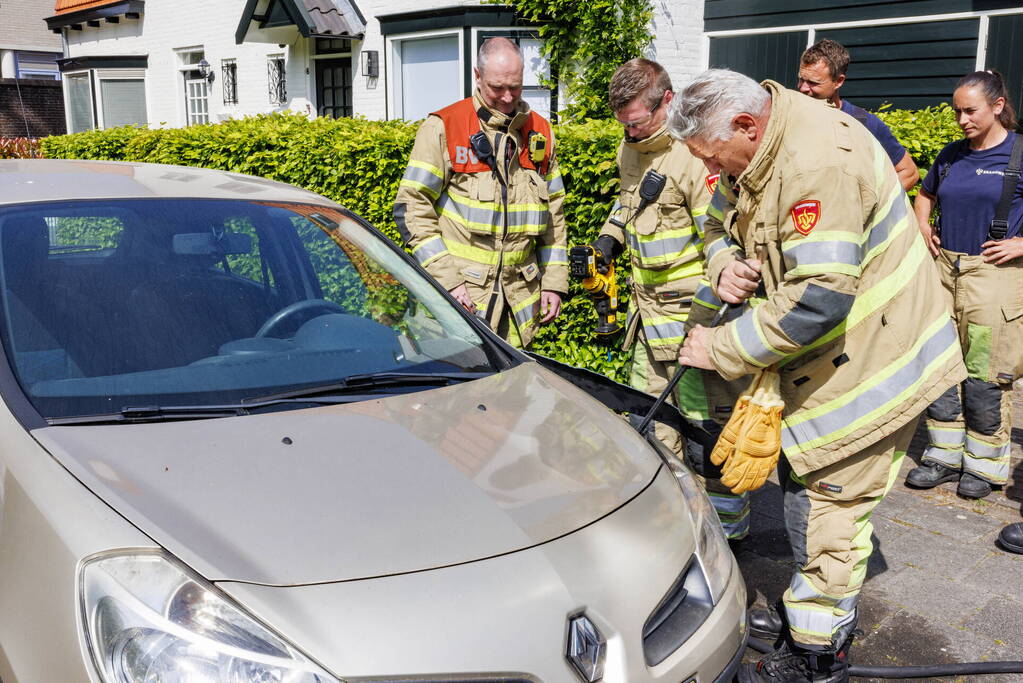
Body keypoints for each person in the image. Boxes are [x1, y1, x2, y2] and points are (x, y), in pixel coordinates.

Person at [669, 69, 966, 682]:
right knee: (807, 494)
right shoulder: (759, 148)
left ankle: (817, 657)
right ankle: (812, 621)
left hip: (876, 363)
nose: (714, 173)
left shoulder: (816, 166)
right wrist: (725, 261)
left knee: (828, 508)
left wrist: (720, 348)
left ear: (746, 126)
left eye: (714, 157)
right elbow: (718, 219)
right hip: (831, 359)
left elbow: (817, 301)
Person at [589, 58, 750, 540]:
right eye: (623, 124)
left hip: (691, 326)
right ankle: (674, 523)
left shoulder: (694, 155)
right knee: (654, 426)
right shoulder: (631, 147)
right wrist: (608, 237)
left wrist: (711, 325)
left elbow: (721, 239)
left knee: (706, 435)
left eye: (637, 121)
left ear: (668, 101)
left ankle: (727, 536)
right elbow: (628, 203)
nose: (630, 132)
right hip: (647, 321)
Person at [393, 37, 567, 347]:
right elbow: (412, 206)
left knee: (512, 393)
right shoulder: (445, 127)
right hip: (458, 304)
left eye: (515, 86)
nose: (507, 96)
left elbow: (554, 215)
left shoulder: (540, 132)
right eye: (497, 88)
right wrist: (449, 282)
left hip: (517, 310)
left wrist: (554, 283)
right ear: (477, 75)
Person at [903, 71, 1023, 499]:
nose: (961, 119)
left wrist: (1021, 244)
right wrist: (921, 224)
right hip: (943, 270)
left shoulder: (1019, 154)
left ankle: (985, 466)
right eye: (957, 111)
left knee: (985, 372)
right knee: (939, 364)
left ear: (996, 105)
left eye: (970, 110)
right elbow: (926, 193)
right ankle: (943, 455)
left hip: (993, 274)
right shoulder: (952, 155)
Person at [797, 39, 920, 192]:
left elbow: (909, 173)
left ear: (838, 81)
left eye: (813, 83)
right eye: (801, 79)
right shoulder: (791, 118)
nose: (803, 88)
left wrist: (869, 207)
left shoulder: (863, 121)